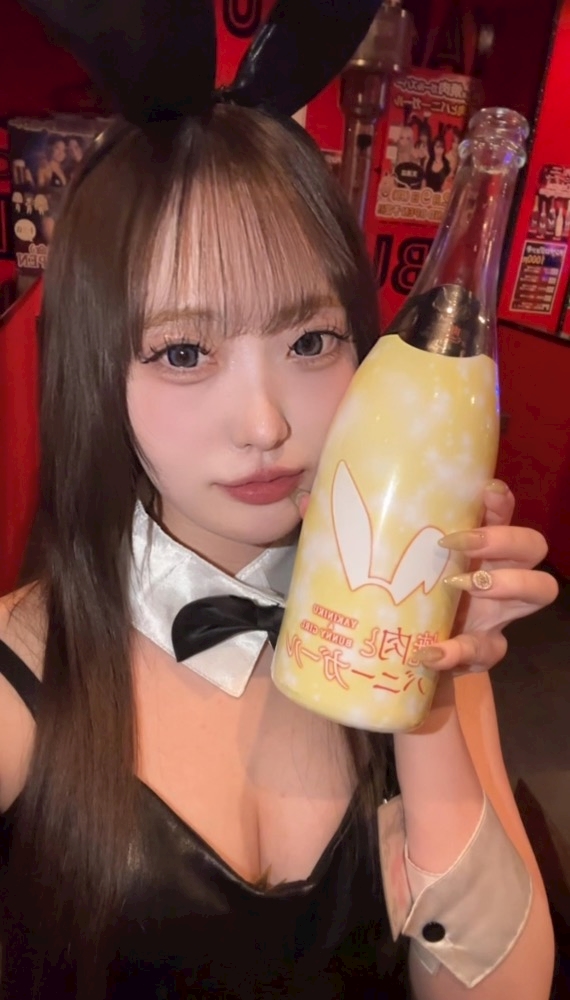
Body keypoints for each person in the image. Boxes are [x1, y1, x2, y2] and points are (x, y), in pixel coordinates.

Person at [0, 2, 557, 998]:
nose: (265, 424)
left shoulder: (423, 633)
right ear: (95, 371)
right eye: (183, 352)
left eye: (310, 341)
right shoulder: (17, 679)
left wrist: (422, 694)